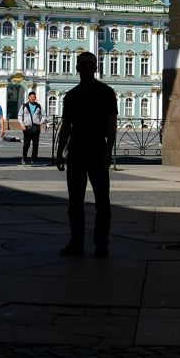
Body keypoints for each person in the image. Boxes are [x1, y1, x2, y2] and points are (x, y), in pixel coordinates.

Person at [55, 51, 117, 257]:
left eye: (91, 64)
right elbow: (66, 125)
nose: (88, 68)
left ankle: (101, 243)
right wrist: (59, 150)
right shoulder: (72, 95)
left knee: (102, 201)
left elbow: (111, 124)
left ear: (96, 68)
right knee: (75, 201)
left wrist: (108, 151)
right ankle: (77, 242)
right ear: (78, 68)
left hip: (98, 150)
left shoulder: (106, 92)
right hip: (76, 151)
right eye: (84, 64)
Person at [20, 92, 45, 164]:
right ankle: (24, 158)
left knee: (35, 144)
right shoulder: (24, 106)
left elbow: (44, 115)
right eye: (31, 96)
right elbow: (19, 115)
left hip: (36, 127)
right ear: (28, 97)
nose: (32, 98)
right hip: (27, 128)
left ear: (35, 98)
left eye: (33, 97)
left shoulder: (39, 106)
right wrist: (22, 124)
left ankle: (33, 159)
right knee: (26, 144)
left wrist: (41, 122)